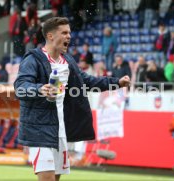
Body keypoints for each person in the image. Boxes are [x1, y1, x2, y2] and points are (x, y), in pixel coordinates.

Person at [14, 17, 130, 181]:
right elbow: (20, 86)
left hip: (62, 128)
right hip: (39, 128)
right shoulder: (33, 59)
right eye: (64, 33)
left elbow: (87, 81)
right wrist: (39, 89)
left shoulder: (67, 61)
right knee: (47, 178)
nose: (69, 36)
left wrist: (116, 82)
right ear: (50, 36)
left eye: (69, 32)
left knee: (56, 177)